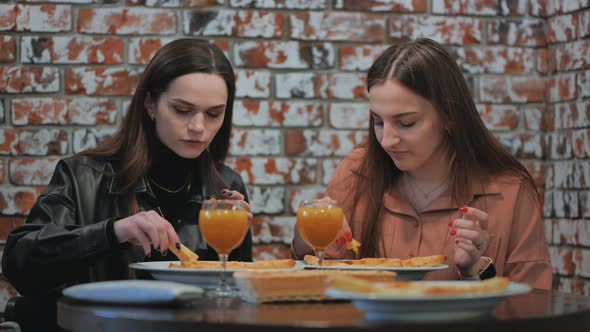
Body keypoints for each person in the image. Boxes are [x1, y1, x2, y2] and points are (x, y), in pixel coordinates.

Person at [1, 38, 252, 331]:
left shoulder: (226, 186)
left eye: (213, 114)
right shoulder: (84, 174)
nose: (198, 127)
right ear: (150, 104)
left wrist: (238, 246)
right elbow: (20, 264)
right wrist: (113, 231)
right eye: (182, 110)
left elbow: (240, 303)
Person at [292, 38, 552, 289]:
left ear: (449, 117)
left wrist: (475, 274)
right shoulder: (356, 173)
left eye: (406, 123)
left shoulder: (510, 192)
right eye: (379, 122)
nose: (387, 141)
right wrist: (306, 239)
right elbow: (317, 286)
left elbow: (531, 308)